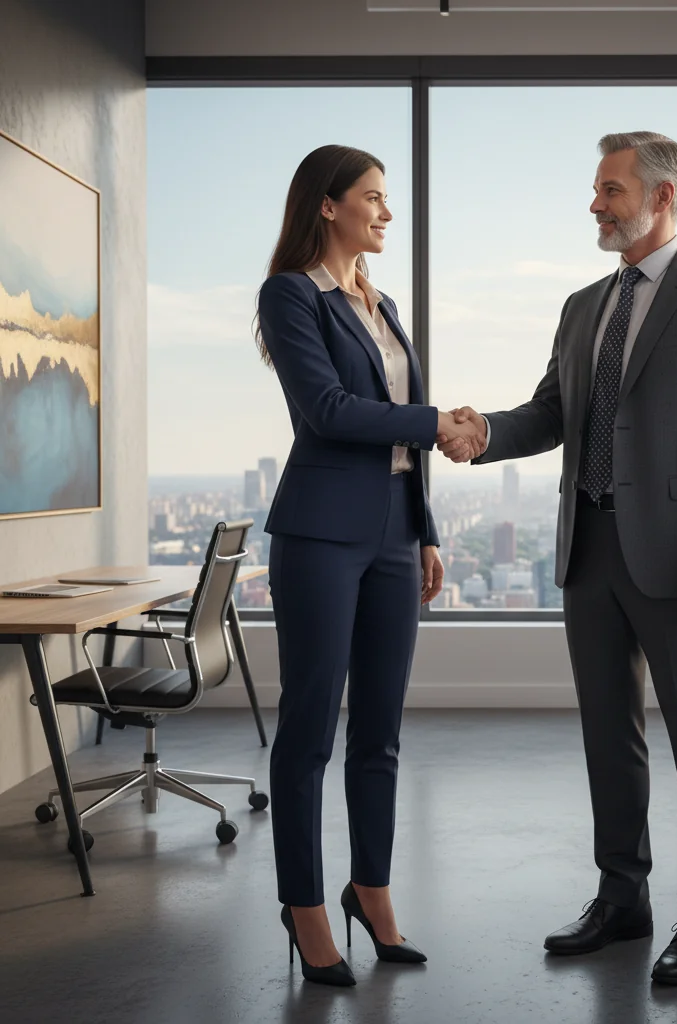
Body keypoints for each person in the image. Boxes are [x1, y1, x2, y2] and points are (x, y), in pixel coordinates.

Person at [440, 131, 677, 986]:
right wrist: (484, 436)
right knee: (608, 739)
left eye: (611, 190)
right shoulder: (583, 304)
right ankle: (622, 897)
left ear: (662, 197)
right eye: (597, 189)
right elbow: (551, 413)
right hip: (588, 551)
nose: (595, 203)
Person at [255, 145, 485, 986]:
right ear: (328, 205)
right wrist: (437, 422)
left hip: (391, 532)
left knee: (380, 732)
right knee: (311, 728)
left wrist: (422, 529)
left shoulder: (380, 302)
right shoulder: (292, 294)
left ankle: (371, 892)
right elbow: (326, 410)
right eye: (374, 199)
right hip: (321, 533)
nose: (386, 213)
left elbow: (393, 431)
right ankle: (305, 907)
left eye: (389, 200)